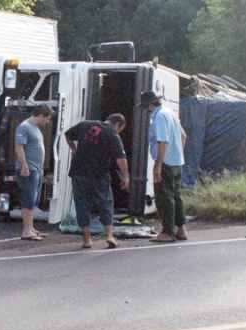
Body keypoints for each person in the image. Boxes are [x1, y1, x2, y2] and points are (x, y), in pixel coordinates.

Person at [64, 114, 130, 249]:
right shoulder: (112, 136)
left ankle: (87, 240)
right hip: (99, 174)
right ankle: (109, 236)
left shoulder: (85, 124)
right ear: (118, 125)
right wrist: (125, 176)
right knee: (105, 203)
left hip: (78, 173)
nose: (119, 132)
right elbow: (120, 158)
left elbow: (68, 135)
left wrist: (74, 149)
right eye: (120, 129)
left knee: (82, 204)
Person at [138, 90, 188, 243]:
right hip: (176, 160)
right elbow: (183, 136)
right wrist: (178, 152)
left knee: (163, 197)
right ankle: (181, 229)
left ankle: (167, 232)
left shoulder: (159, 116)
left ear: (149, 105)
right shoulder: (169, 112)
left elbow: (162, 141)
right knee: (176, 195)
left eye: (145, 107)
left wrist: (158, 165)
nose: (145, 111)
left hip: (165, 162)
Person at [14, 104, 54, 241]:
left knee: (33, 199)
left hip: (36, 168)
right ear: (41, 115)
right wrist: (24, 167)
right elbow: (19, 147)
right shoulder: (24, 127)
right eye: (47, 118)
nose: (47, 121)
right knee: (28, 198)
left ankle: (31, 228)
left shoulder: (34, 128)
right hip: (29, 168)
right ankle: (26, 231)